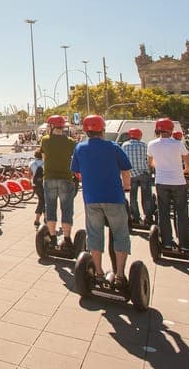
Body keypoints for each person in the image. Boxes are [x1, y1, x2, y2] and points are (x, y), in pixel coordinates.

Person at [70, 115, 133, 287]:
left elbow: (76, 172)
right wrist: (126, 188)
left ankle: (98, 272)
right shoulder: (113, 147)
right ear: (102, 130)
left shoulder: (80, 148)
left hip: (92, 198)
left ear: (86, 131)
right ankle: (120, 275)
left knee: (94, 234)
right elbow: (126, 171)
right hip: (114, 197)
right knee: (120, 233)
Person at [148, 118, 189, 251]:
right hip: (178, 181)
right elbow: (188, 162)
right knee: (182, 213)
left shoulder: (152, 144)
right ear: (171, 130)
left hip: (161, 181)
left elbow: (150, 163)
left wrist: (160, 167)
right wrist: (185, 170)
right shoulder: (178, 144)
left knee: (163, 212)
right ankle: (185, 244)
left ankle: (167, 242)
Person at [40, 115, 77, 248]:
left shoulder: (45, 140)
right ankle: (67, 239)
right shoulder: (71, 141)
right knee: (67, 209)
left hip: (49, 178)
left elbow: (44, 158)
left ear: (51, 126)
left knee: (50, 207)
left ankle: (53, 237)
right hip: (66, 178)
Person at [122, 128, 153, 225]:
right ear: (139, 136)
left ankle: (135, 217)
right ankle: (148, 217)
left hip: (131, 174)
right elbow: (148, 160)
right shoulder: (144, 145)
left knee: (133, 197)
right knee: (147, 197)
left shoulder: (124, 145)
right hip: (144, 173)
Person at [30, 148, 45, 228]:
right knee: (42, 201)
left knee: (42, 200)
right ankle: (37, 220)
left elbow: (30, 175)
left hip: (35, 185)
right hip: (43, 184)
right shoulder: (45, 163)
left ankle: (46, 218)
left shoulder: (32, 163)